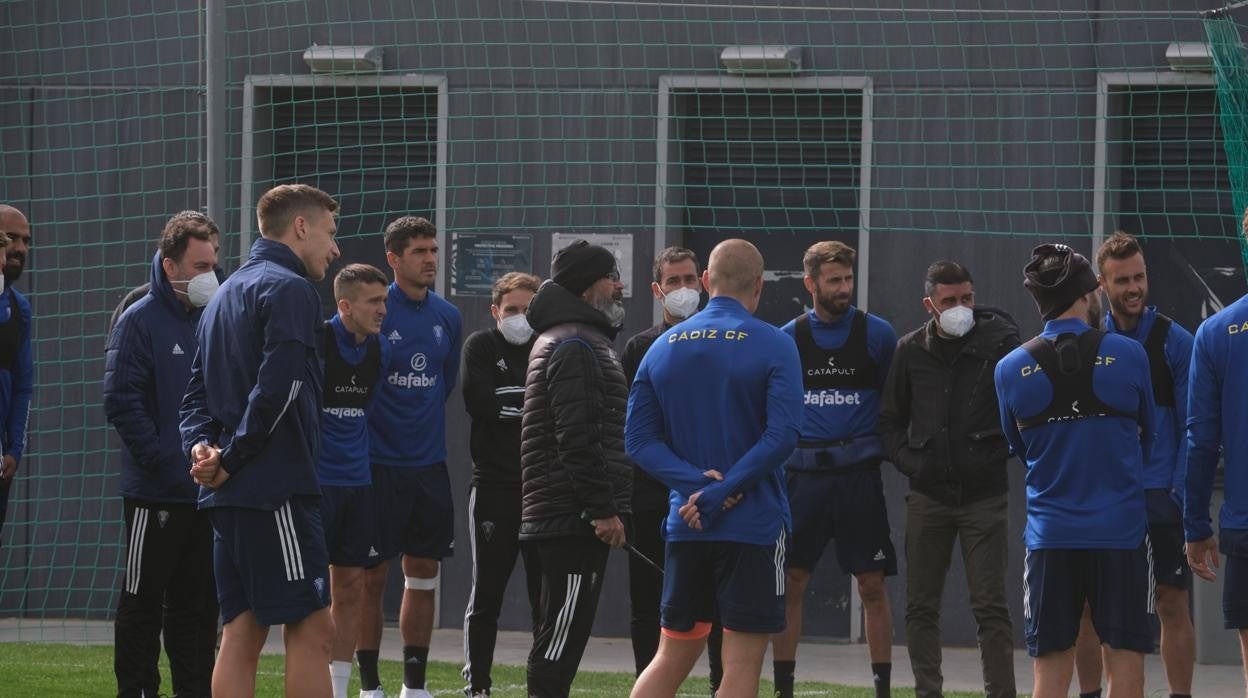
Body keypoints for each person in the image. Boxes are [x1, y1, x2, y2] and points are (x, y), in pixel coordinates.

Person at [179, 183, 341, 698]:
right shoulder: (290, 289)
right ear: (301, 227)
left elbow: (194, 398)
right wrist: (232, 457)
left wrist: (203, 449)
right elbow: (282, 388)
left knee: (242, 631)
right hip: (275, 490)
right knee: (315, 629)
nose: (335, 249)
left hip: (229, 492)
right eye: (330, 233)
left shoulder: (223, 292)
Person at [626, 238, 803, 698]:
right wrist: (724, 489)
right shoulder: (776, 343)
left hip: (688, 523)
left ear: (706, 282)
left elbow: (639, 442)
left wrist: (696, 486)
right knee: (740, 668)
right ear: (759, 285)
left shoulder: (662, 346)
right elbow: (782, 437)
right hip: (754, 527)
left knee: (669, 658)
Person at [995, 243, 1154, 698]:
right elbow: (1149, 438)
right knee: (1125, 659)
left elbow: (1019, 448)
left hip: (1051, 536)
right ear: (1088, 294)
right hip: (1121, 533)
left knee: (1049, 669)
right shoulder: (1130, 354)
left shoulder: (1009, 369)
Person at [879, 260, 1019, 698]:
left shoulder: (1001, 343)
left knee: (991, 607)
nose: (961, 308)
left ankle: (1002, 692)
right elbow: (889, 422)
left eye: (967, 299)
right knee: (920, 606)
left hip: (985, 497)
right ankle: (927, 691)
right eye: (950, 301)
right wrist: (911, 463)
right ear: (929, 305)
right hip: (928, 496)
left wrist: (1000, 452)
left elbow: (1022, 409)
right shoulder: (910, 351)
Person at [771, 240, 898, 698]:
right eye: (834, 281)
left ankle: (882, 687)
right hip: (802, 478)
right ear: (810, 284)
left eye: (848, 279)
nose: (844, 288)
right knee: (792, 580)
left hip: (858, 480)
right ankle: (784, 687)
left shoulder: (877, 334)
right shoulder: (787, 339)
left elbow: (893, 405)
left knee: (871, 584)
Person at [103, 211, 222, 698]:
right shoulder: (139, 320)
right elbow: (121, 401)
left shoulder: (217, 318)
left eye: (214, 263)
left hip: (205, 494)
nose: (209, 276)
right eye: (199, 266)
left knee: (197, 609)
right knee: (141, 603)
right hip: (155, 494)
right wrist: (162, 460)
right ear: (170, 265)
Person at [1074, 231, 1195, 698]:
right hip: (1106, 501)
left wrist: (1180, 497)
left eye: (1139, 277)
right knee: (1096, 607)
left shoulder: (1175, 342)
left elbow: (1193, 429)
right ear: (1102, 285)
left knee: (1172, 601)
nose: (1134, 288)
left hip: (1159, 498)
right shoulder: (1089, 342)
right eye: (1122, 279)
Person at [519, 239, 632, 698]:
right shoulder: (575, 345)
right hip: (570, 520)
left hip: (564, 515)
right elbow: (577, 438)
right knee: (559, 642)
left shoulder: (580, 338)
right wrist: (602, 509)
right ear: (588, 286)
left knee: (557, 637)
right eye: (610, 276)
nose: (618, 285)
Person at [358, 216, 462, 698]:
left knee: (423, 573)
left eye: (434, 250)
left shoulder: (447, 316)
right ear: (394, 259)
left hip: (428, 466)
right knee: (371, 575)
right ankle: (369, 685)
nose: (430, 259)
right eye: (419, 251)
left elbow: (444, 384)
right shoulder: (378, 313)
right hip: (377, 465)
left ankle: (414, 687)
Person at [620, 246, 723, 690]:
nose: (683, 289)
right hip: (652, 496)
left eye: (689, 279)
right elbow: (635, 433)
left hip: (716, 494)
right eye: (673, 281)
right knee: (651, 605)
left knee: (721, 603)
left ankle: (725, 682)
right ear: (657, 290)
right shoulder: (640, 347)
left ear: (704, 282)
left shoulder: (725, 339)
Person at [459, 271, 543, 698]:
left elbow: (549, 412)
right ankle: (479, 687)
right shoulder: (480, 345)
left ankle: (542, 686)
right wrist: (527, 403)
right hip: (493, 488)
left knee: (542, 599)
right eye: (511, 309)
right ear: (495, 312)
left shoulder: (550, 346)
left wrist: (510, 400)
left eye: (528, 309)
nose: (519, 317)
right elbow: (479, 403)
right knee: (486, 592)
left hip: (542, 492)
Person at [317, 263, 389, 698]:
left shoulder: (379, 351)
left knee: (352, 587)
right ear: (344, 305)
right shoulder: (318, 342)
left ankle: (338, 690)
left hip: (357, 483)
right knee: (305, 594)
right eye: (374, 302)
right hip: (314, 487)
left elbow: (367, 411)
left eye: (384, 300)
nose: (383, 309)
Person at [1185, 210, 1248, 696]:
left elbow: (1201, 440)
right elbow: (1201, 439)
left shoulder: (1216, 333)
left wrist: (1196, 526)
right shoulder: (1216, 335)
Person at [109, 223, 222, 332]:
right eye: (201, 265)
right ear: (170, 266)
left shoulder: (223, 302)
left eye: (215, 250)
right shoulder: (137, 309)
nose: (210, 255)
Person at [0, 204, 33, 548]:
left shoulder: (19, 308)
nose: (21, 248)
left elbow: (23, 385)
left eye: (26, 240)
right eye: (11, 238)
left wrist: (14, 450)